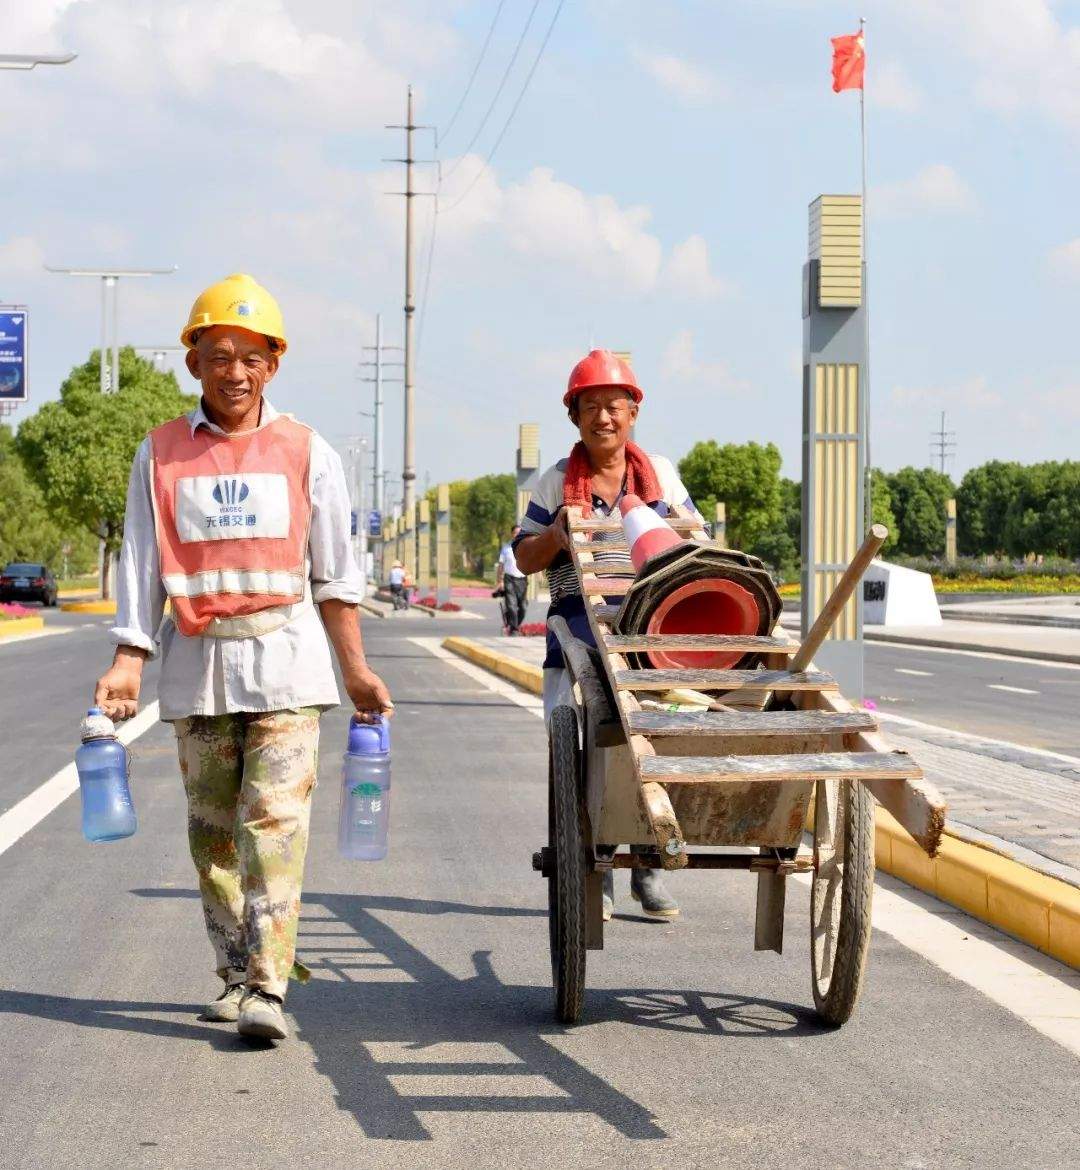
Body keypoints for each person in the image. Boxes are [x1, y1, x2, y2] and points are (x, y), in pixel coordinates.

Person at [93, 274, 393, 1042]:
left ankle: (268, 988)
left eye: (252, 357)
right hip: (197, 667)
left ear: (274, 365)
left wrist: (355, 669)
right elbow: (142, 562)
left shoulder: (305, 450)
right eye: (219, 355)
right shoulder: (159, 453)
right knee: (214, 834)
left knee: (275, 824)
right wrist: (130, 657)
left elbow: (335, 574)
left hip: (288, 663)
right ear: (194, 362)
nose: (235, 371)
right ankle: (233, 974)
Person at [513, 349, 703, 923]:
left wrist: (666, 527)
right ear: (575, 417)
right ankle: (593, 859)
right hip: (578, 625)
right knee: (582, 731)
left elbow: (698, 537)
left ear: (632, 412)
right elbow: (524, 556)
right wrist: (559, 536)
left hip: (648, 619)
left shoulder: (660, 473)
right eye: (590, 407)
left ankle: (648, 862)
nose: (603, 418)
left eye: (614, 406)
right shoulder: (554, 483)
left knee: (672, 722)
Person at [495, 526, 528, 634]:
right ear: (512, 534)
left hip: (522, 580)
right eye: (515, 533)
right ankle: (514, 629)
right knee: (512, 605)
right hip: (509, 579)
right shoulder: (506, 548)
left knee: (523, 607)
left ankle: (513, 624)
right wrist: (500, 581)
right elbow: (501, 566)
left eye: (519, 533)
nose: (517, 535)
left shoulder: (526, 546)